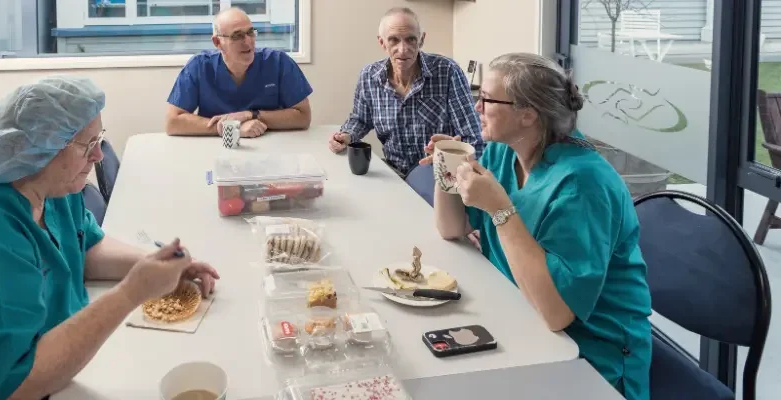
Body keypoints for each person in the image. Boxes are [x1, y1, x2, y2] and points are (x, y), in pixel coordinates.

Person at [425, 53, 651, 400]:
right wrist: (447, 166)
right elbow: (451, 227)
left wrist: (500, 209)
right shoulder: (505, 152)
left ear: (527, 114)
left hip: (590, 354)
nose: (476, 107)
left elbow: (557, 313)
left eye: (486, 99)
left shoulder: (584, 185)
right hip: (517, 317)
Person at [0, 76, 220, 399]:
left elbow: (85, 246)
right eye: (87, 145)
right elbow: (14, 383)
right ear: (43, 149)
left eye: (100, 140)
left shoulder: (55, 186)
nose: (98, 156)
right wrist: (131, 293)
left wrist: (155, 266)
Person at [329, 7, 483, 177]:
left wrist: (452, 160)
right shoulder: (369, 76)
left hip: (439, 172)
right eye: (394, 40)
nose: (403, 49)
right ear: (382, 42)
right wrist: (347, 135)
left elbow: (473, 138)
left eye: (411, 39)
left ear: (421, 40)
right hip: (394, 172)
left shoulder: (447, 71)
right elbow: (361, 119)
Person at [165, 7, 312, 138]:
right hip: (214, 148)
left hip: (271, 145)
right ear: (217, 42)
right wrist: (233, 128)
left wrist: (252, 115)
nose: (248, 42)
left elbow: (303, 116)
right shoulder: (199, 66)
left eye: (250, 33)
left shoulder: (278, 62)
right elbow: (173, 122)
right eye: (237, 36)